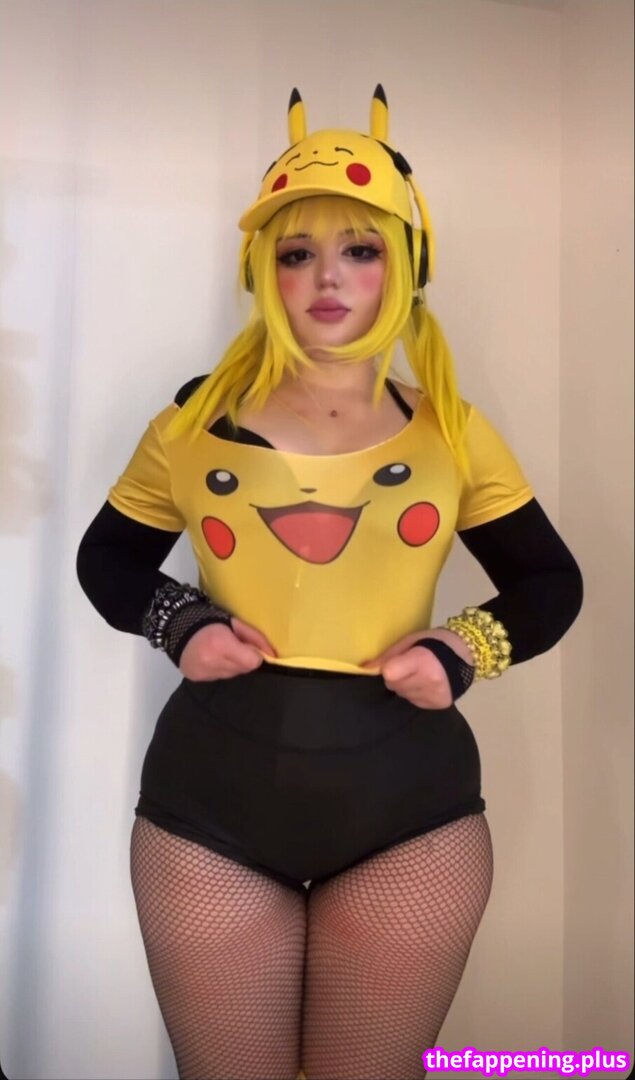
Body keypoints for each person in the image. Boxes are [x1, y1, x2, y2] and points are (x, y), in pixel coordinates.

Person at [76, 86, 583, 1080]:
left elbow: (545, 580)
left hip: (410, 816)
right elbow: (109, 558)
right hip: (209, 810)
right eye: (295, 252)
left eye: (359, 248)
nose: (326, 277)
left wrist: (463, 649)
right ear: (261, 268)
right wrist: (179, 623)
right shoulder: (192, 424)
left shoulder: (451, 430)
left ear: (406, 264)